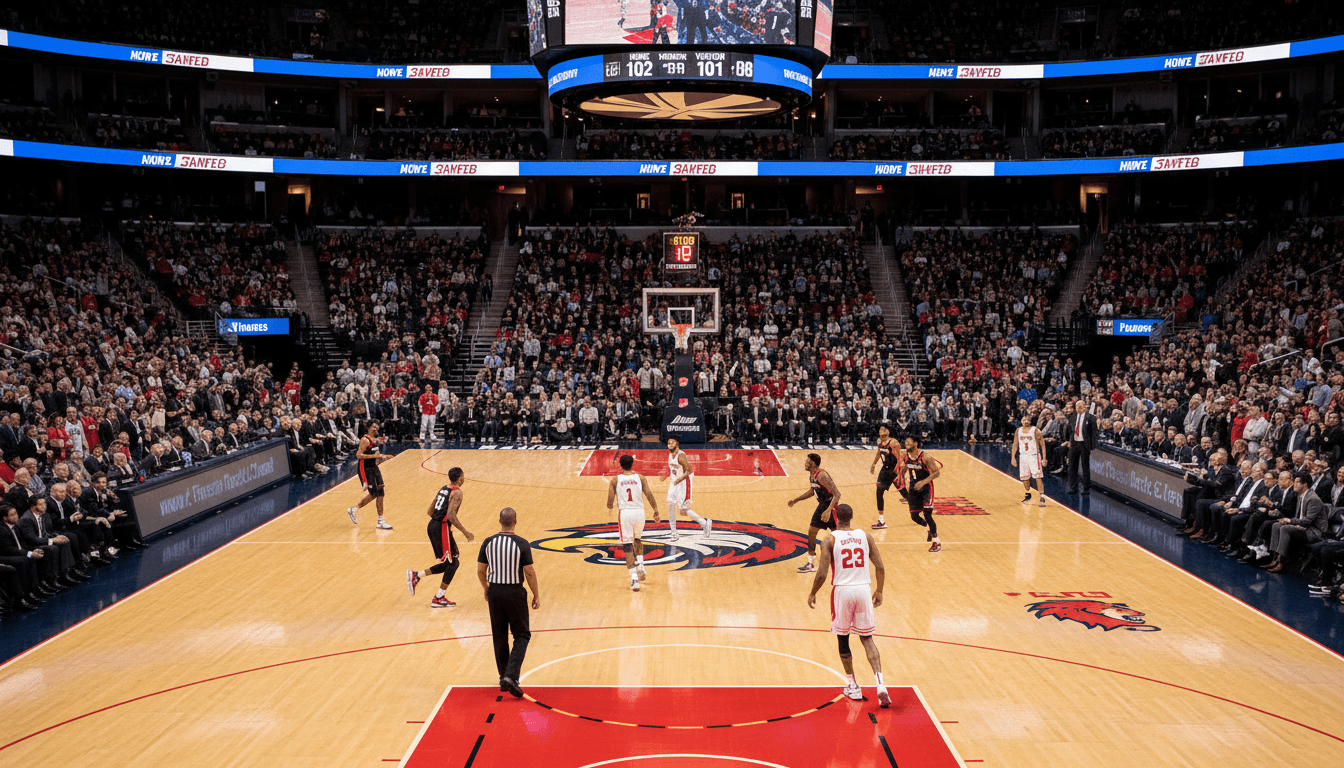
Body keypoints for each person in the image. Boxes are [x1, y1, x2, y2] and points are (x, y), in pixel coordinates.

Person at [806, 503, 891, 708]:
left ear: (835, 516)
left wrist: (813, 592)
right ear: (851, 517)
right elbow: (879, 565)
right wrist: (879, 590)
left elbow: (823, 573)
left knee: (843, 639)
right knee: (867, 638)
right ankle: (880, 684)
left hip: (842, 591)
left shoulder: (830, 539)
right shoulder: (865, 536)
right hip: (863, 589)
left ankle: (853, 685)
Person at [477, 507, 540, 699]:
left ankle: (503, 676)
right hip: (514, 592)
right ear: (515, 521)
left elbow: (481, 570)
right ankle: (511, 676)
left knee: (500, 636)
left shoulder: (488, 542)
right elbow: (529, 571)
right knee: (522, 635)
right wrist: (535, 594)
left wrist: (486, 588)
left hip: (495, 592)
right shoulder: (521, 543)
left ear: (499, 521)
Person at [407, 468, 475, 607]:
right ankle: (438, 598)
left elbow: (430, 511)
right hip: (441, 528)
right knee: (453, 563)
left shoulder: (444, 489)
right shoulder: (457, 493)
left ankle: (417, 575)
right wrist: (465, 532)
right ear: (461, 478)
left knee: (450, 563)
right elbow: (451, 515)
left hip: (432, 525)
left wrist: (438, 522)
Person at [607, 454, 660, 591]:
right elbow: (649, 494)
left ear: (620, 464)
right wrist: (655, 510)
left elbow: (610, 502)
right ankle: (641, 565)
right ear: (633, 464)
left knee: (627, 547)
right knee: (638, 540)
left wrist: (610, 506)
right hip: (639, 512)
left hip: (625, 513)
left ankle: (634, 579)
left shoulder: (615, 480)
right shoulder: (640, 478)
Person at [788, 452, 841, 572]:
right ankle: (811, 563)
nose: (805, 464)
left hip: (831, 507)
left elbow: (837, 494)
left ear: (813, 464)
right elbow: (813, 491)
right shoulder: (812, 475)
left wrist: (828, 510)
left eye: (807, 462)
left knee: (838, 536)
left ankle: (842, 560)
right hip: (822, 506)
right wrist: (796, 500)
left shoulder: (822, 475)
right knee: (812, 532)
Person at [901, 435, 943, 552]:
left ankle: (936, 542)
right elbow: (903, 469)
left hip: (926, 488)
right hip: (914, 487)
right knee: (914, 516)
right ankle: (930, 528)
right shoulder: (904, 456)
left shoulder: (925, 457)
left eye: (909, 443)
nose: (906, 445)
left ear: (915, 443)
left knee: (927, 514)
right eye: (906, 443)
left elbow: (936, 473)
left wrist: (923, 483)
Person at [348, 423, 393, 529]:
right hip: (365, 468)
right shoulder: (365, 440)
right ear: (368, 428)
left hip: (373, 467)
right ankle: (354, 509)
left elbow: (377, 453)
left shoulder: (375, 439)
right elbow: (359, 455)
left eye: (377, 426)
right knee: (373, 493)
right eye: (374, 426)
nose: (377, 428)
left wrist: (383, 457)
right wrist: (375, 456)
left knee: (381, 491)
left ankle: (381, 521)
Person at [665, 437, 710, 540]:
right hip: (674, 483)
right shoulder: (670, 455)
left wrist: (679, 480)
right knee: (670, 504)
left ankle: (704, 523)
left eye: (672, 442)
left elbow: (687, 471)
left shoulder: (680, 456)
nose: (670, 444)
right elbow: (673, 469)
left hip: (683, 483)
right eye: (668, 443)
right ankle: (674, 532)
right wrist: (666, 475)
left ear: (677, 444)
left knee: (684, 509)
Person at [1012, 414, 1048, 506]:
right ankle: (1028, 494)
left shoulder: (1035, 430)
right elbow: (1015, 444)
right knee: (1024, 477)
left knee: (1037, 476)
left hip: (1034, 456)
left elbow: (1043, 445)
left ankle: (1042, 496)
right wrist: (1013, 457)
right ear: (1021, 421)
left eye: (1027, 420)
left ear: (1030, 421)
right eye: (1023, 420)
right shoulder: (1018, 431)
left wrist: (1044, 458)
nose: (1025, 421)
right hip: (1023, 456)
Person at [869, 424, 899, 529]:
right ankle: (881, 520)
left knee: (904, 491)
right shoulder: (880, 442)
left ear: (888, 432)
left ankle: (918, 505)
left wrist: (900, 472)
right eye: (880, 429)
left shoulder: (893, 443)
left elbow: (900, 459)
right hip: (885, 468)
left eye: (884, 429)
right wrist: (873, 464)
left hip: (894, 469)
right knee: (879, 489)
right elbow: (879, 453)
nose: (881, 430)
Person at [1065, 399, 1097, 496]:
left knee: (1085, 467)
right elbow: (1068, 429)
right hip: (1074, 443)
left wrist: (1092, 446)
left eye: (1081, 406)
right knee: (1072, 466)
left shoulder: (1091, 418)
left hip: (1084, 444)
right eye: (1077, 407)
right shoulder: (1072, 416)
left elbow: (1094, 433)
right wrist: (1067, 440)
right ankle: (1073, 487)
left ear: (1085, 407)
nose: (1078, 408)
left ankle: (1086, 488)